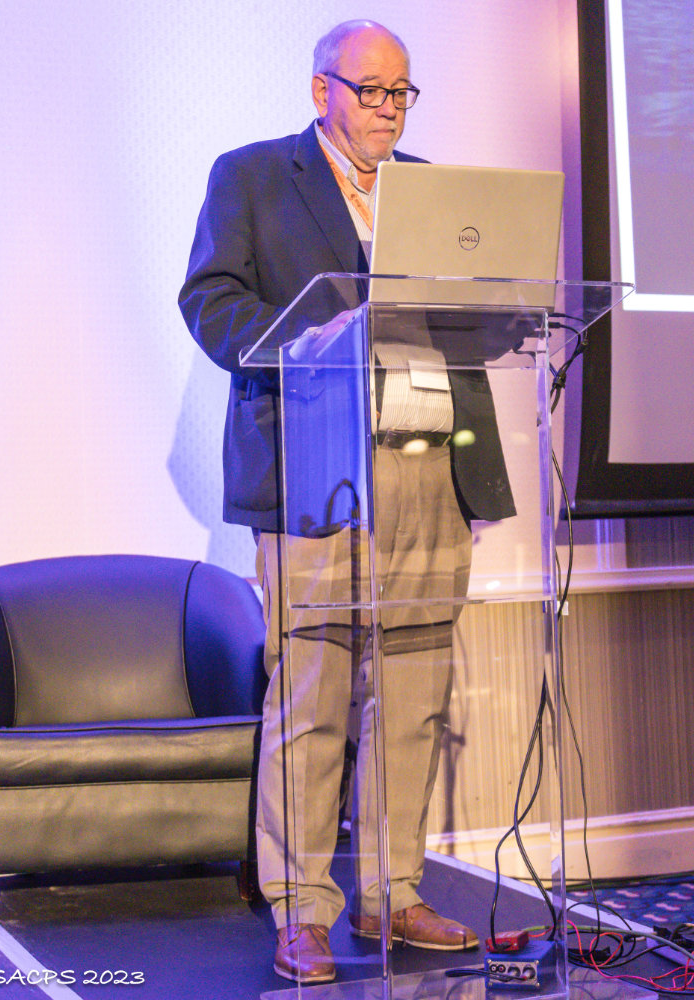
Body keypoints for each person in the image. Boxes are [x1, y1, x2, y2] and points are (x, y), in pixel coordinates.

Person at [179, 19, 515, 984]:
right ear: (320, 89)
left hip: (429, 464)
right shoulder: (253, 175)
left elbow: (477, 323)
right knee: (313, 698)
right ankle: (300, 909)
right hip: (317, 466)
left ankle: (391, 892)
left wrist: (493, 311)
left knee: (410, 698)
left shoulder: (430, 189)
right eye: (370, 90)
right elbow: (211, 302)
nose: (387, 109)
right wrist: (319, 341)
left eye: (400, 91)